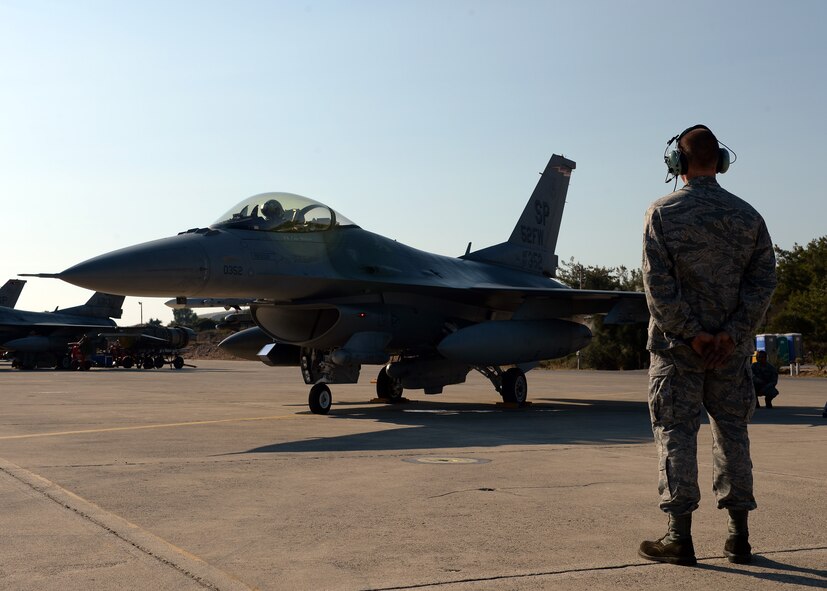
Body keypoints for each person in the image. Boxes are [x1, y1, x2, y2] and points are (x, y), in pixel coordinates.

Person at [639, 125, 777, 566]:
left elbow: (656, 286)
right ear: (720, 162)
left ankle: (678, 537)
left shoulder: (662, 213)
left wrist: (691, 334)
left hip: (678, 351)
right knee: (733, 434)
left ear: (676, 164)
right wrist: (731, 334)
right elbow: (763, 284)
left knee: (676, 433)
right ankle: (739, 538)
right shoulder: (748, 217)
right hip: (730, 354)